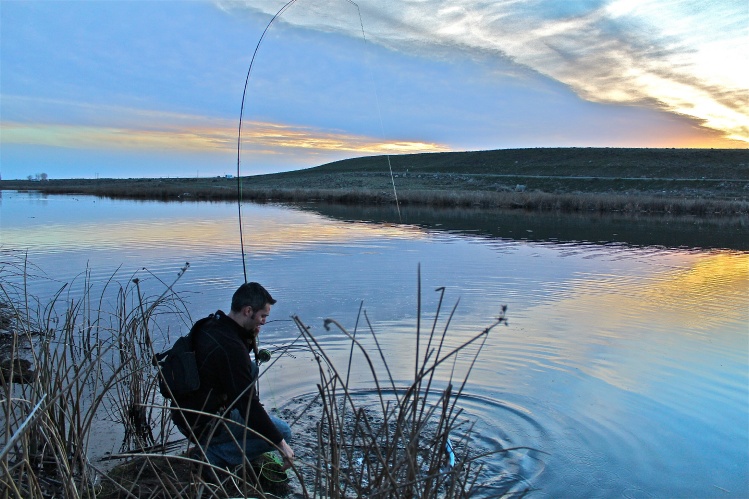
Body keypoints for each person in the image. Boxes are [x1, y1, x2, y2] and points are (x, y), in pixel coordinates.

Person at [171, 282, 294, 471]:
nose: (263, 322)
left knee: (251, 367)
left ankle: (216, 447)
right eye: (262, 316)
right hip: (204, 424)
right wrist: (280, 443)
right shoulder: (231, 348)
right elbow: (248, 406)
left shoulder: (210, 324)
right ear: (247, 311)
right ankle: (213, 456)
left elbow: (229, 369)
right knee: (283, 431)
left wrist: (246, 339)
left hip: (185, 415)